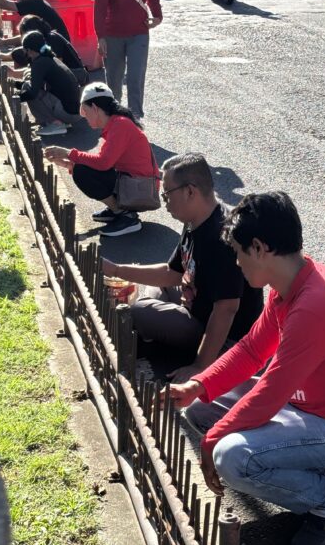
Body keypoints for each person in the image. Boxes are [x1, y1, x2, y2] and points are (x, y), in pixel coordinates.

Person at [167, 191, 325, 545]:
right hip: (311, 407)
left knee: (233, 457)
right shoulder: (289, 283)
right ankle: (313, 475)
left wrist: (212, 443)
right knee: (202, 407)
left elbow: (270, 393)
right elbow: (252, 351)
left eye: (240, 254)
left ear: (259, 248)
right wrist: (198, 384)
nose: (238, 264)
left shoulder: (315, 307)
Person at [100, 153, 264, 383]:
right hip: (195, 300)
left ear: (190, 191)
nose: (164, 200)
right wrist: (116, 269)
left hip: (225, 334)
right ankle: (152, 334)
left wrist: (200, 367)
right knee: (150, 292)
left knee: (139, 311)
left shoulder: (222, 238)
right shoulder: (195, 220)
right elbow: (172, 273)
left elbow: (226, 309)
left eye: (166, 193)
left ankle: (157, 340)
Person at [43, 83, 158, 237]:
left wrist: (69, 153)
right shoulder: (116, 123)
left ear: (95, 108)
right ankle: (118, 209)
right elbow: (100, 162)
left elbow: (103, 163)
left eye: (85, 111)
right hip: (135, 184)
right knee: (82, 167)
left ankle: (125, 215)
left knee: (82, 171)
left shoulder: (120, 125)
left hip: (141, 190)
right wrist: (67, 162)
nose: (84, 117)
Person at [94, 0, 162, 120]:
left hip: (138, 33)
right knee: (114, 80)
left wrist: (157, 16)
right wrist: (100, 36)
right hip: (113, 34)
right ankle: (114, 116)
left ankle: (135, 116)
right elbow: (99, 8)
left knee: (135, 77)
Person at [11, 31, 82, 136]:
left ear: (29, 50)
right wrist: (15, 84)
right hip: (75, 111)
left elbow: (33, 93)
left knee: (27, 89)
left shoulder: (39, 63)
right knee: (26, 86)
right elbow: (37, 85)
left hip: (67, 112)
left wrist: (15, 98)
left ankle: (54, 123)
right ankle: (58, 121)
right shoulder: (49, 57)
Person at [17, 15, 88, 85]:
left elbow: (56, 66)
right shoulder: (41, 42)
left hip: (78, 74)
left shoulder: (52, 39)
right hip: (66, 73)